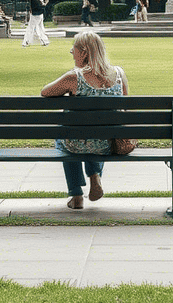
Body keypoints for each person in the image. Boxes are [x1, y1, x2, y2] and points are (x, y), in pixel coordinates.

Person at [41, 31, 129, 209]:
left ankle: (76, 195)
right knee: (93, 133)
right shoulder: (119, 74)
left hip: (75, 143)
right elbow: (125, 109)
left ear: (84, 52)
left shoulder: (74, 77)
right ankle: (95, 176)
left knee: (64, 134)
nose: (71, 52)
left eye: (73, 48)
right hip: (106, 145)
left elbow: (45, 92)